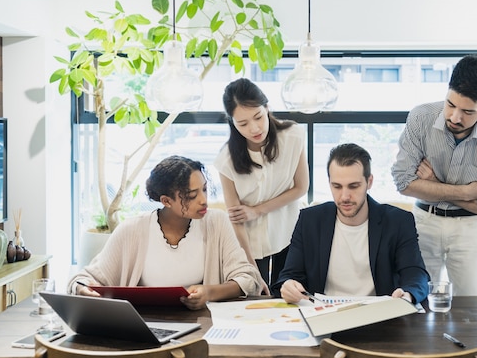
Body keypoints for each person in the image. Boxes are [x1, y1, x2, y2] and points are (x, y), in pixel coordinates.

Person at [391, 54, 477, 296]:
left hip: (469, 229)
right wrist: (467, 191)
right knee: (416, 299)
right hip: (423, 222)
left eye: (468, 111)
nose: (455, 117)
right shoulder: (421, 118)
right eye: (450, 104)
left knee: (470, 306)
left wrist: (434, 185)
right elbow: (403, 181)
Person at [67, 155, 262, 310]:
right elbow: (83, 279)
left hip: (204, 323)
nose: (203, 200)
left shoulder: (216, 222)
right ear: (166, 201)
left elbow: (248, 278)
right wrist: (83, 289)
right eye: (192, 195)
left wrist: (209, 292)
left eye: (204, 189)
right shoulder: (132, 230)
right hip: (145, 325)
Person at [273, 143, 430, 305]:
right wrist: (288, 286)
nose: (344, 196)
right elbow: (290, 274)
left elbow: (416, 274)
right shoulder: (310, 220)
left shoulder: (398, 221)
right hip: (324, 315)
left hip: (379, 316)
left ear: (369, 182)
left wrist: (407, 295)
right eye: (337, 186)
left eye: (353, 186)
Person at [214, 78, 309, 292]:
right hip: (250, 245)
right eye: (243, 123)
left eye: (258, 116)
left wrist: (257, 210)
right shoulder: (226, 161)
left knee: (290, 299)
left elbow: (301, 187)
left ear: (267, 108)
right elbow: (236, 219)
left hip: (289, 234)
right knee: (254, 301)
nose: (254, 128)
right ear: (232, 122)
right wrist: (251, 269)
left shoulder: (293, 136)